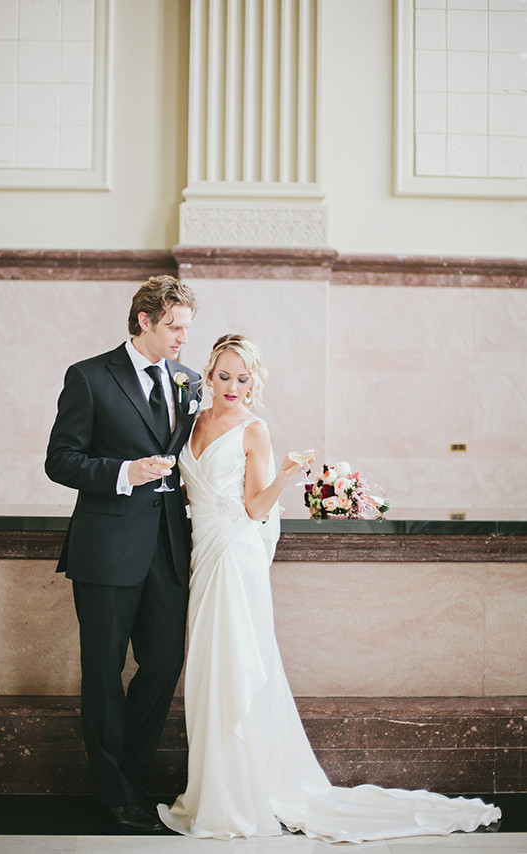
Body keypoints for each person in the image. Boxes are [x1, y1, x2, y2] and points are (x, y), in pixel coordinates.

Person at [157, 333, 501, 844]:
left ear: (254, 384)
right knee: (209, 666)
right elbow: (189, 487)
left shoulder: (256, 430)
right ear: (208, 375)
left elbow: (255, 508)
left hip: (236, 554)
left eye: (243, 378)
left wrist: (289, 473)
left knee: (236, 662)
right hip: (204, 553)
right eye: (224, 375)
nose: (232, 386)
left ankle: (237, 797)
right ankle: (213, 789)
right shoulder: (193, 422)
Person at [45, 275, 201, 834]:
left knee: (163, 662)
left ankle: (130, 777)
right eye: (175, 327)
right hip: (107, 547)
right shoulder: (88, 376)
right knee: (104, 673)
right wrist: (123, 473)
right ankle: (115, 794)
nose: (184, 338)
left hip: (168, 546)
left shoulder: (189, 380)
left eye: (187, 327)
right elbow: (60, 460)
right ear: (145, 322)